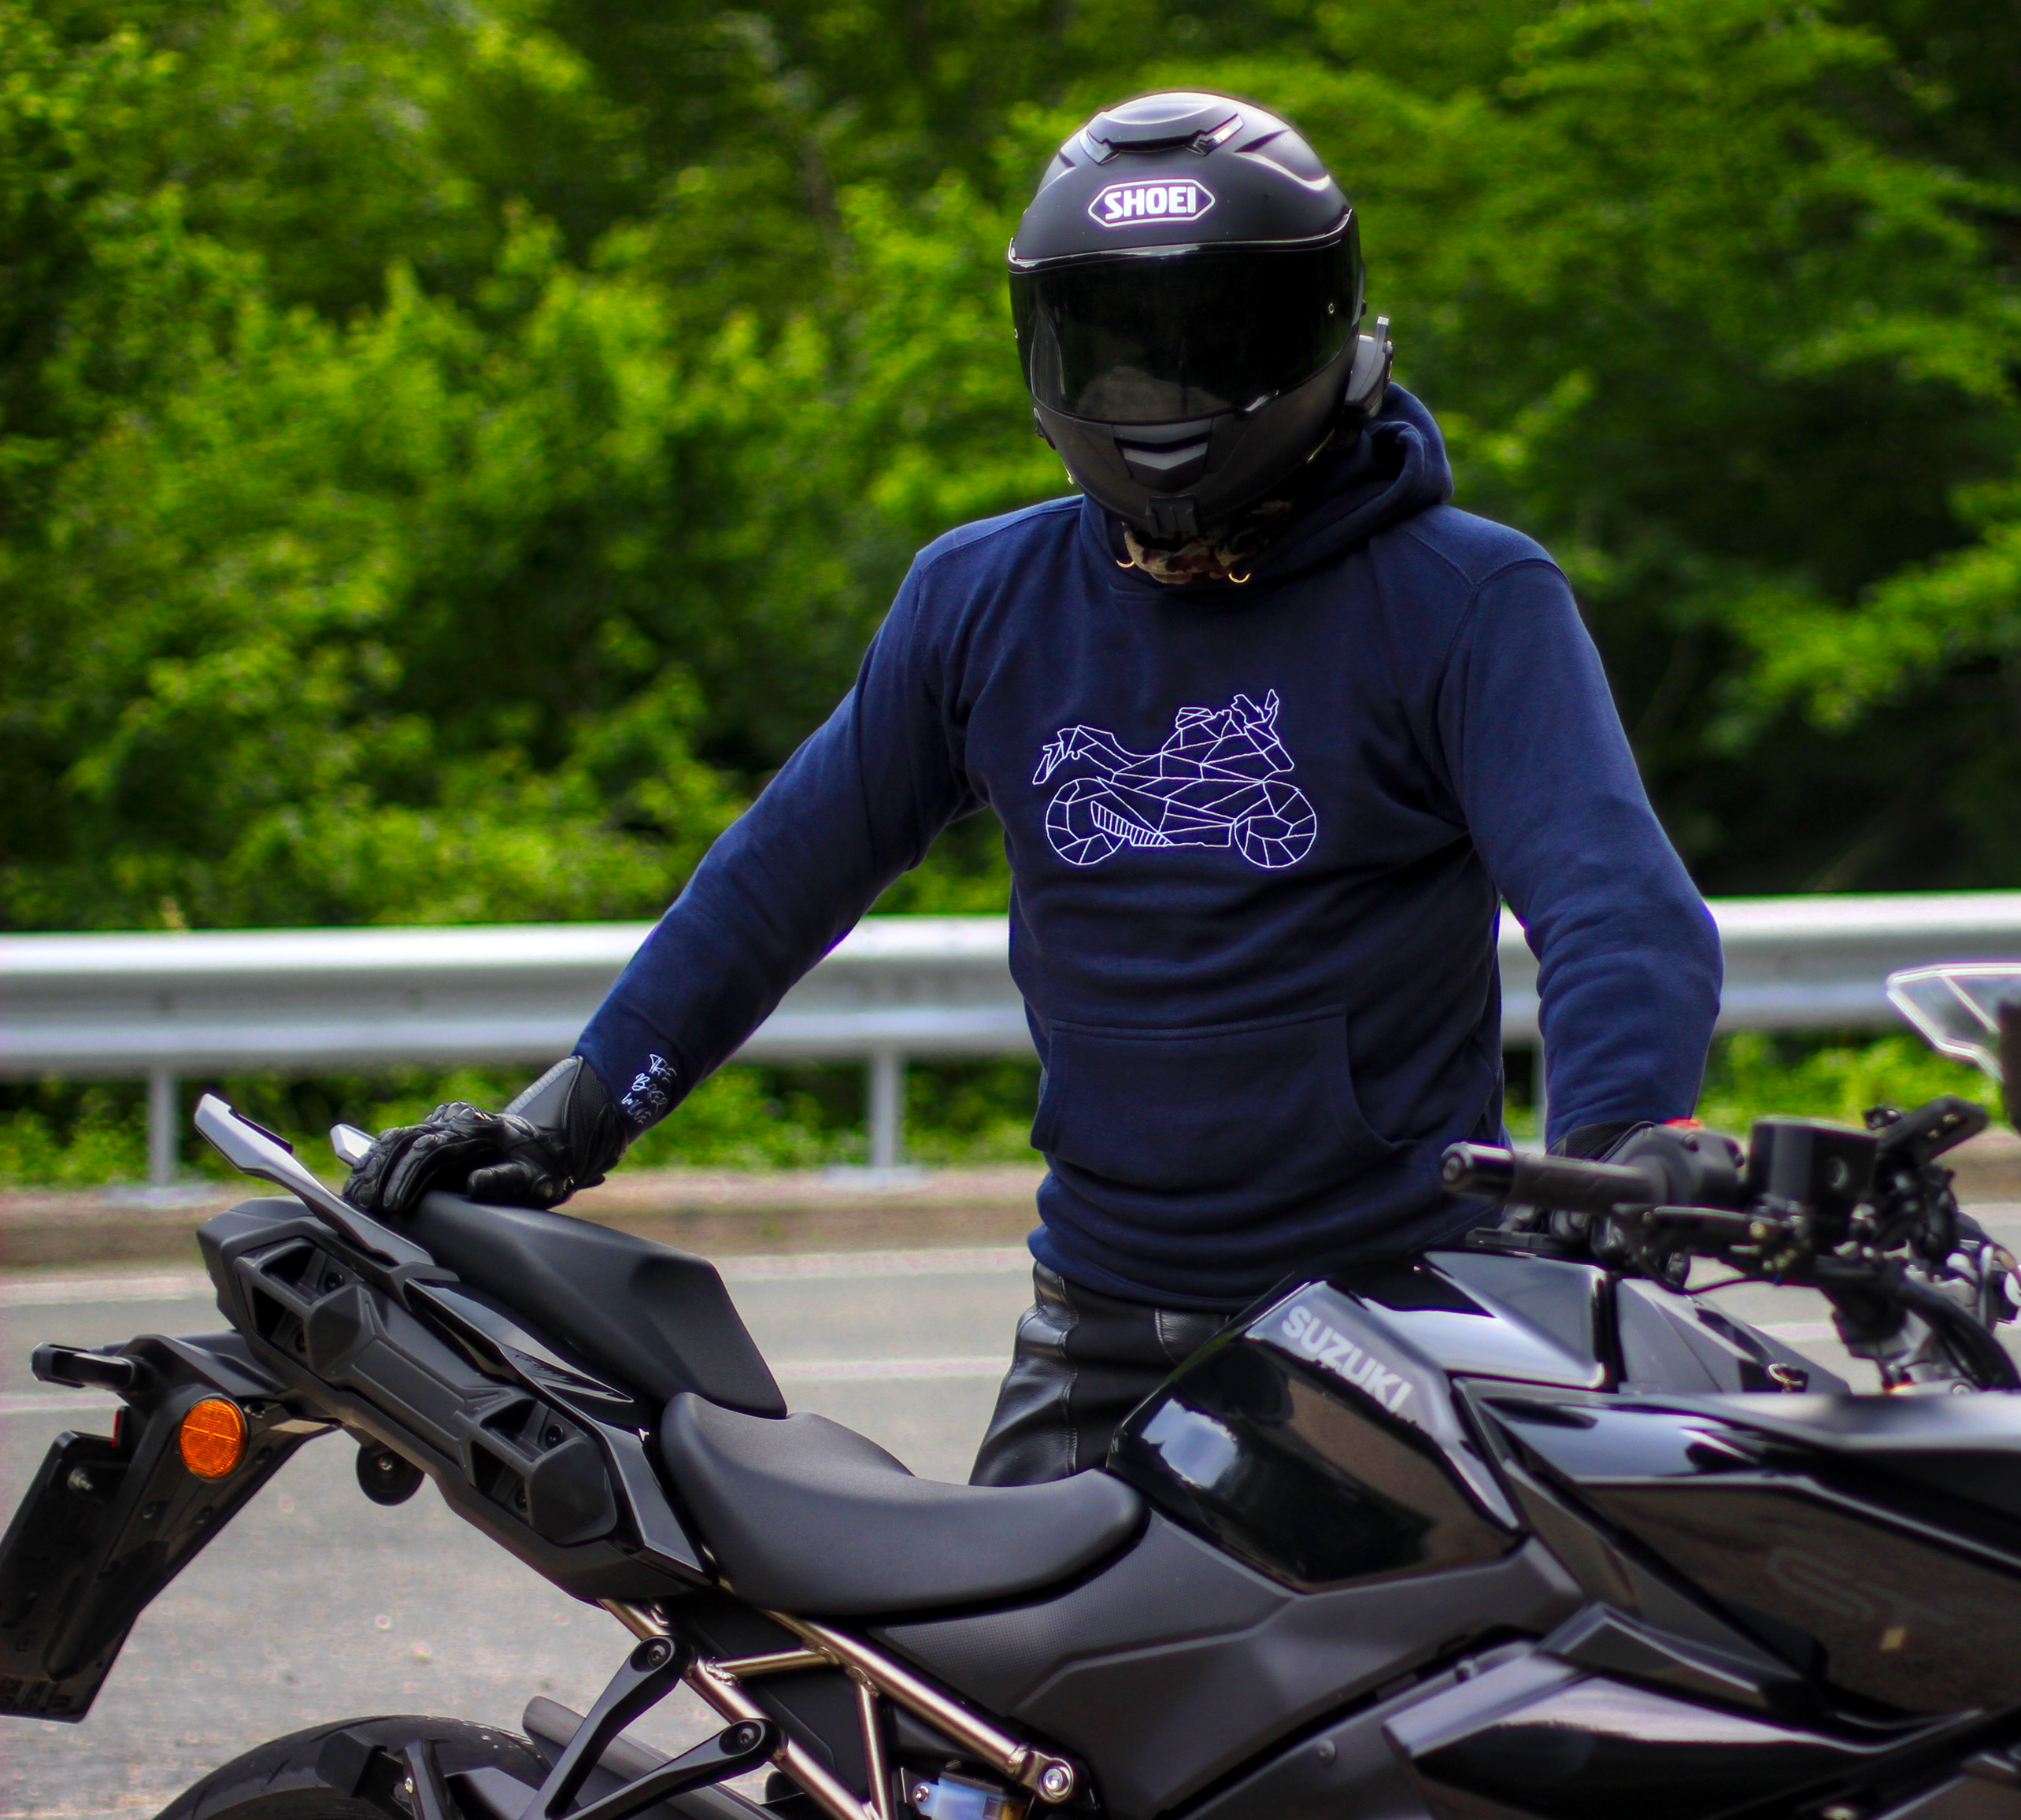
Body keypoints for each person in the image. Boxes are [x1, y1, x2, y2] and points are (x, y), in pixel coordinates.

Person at [342, 90, 1723, 1485]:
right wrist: (565, 1119)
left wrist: (1604, 1183)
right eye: (1119, 349)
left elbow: (1620, 917)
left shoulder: (1462, 599)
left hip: (1391, 1323)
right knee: (966, 1701)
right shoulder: (982, 600)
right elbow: (778, 880)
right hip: (1100, 1331)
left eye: (1212, 343)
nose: (1165, 396)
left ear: (1325, 328)